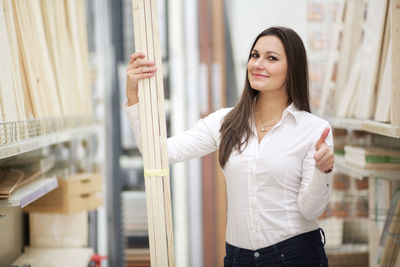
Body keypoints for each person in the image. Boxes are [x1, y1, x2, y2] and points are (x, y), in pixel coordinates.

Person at [124, 26, 334, 267]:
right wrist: (133, 97)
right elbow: (160, 153)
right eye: (255, 55)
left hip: (295, 256)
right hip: (239, 258)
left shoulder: (313, 129)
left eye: (271, 58)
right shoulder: (225, 122)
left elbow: (310, 210)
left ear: (292, 69)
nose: (258, 64)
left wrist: (322, 171)